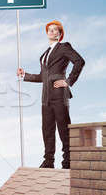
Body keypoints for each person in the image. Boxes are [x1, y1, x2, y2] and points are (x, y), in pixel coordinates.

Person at [16, 20, 85, 169]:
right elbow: (42, 76)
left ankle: (68, 161)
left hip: (59, 94)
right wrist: (24, 75)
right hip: (46, 96)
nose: (52, 31)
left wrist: (68, 81)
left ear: (60, 34)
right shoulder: (45, 54)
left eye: (55, 30)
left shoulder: (64, 47)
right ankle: (48, 161)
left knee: (63, 128)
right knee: (47, 129)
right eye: (50, 29)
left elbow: (79, 61)